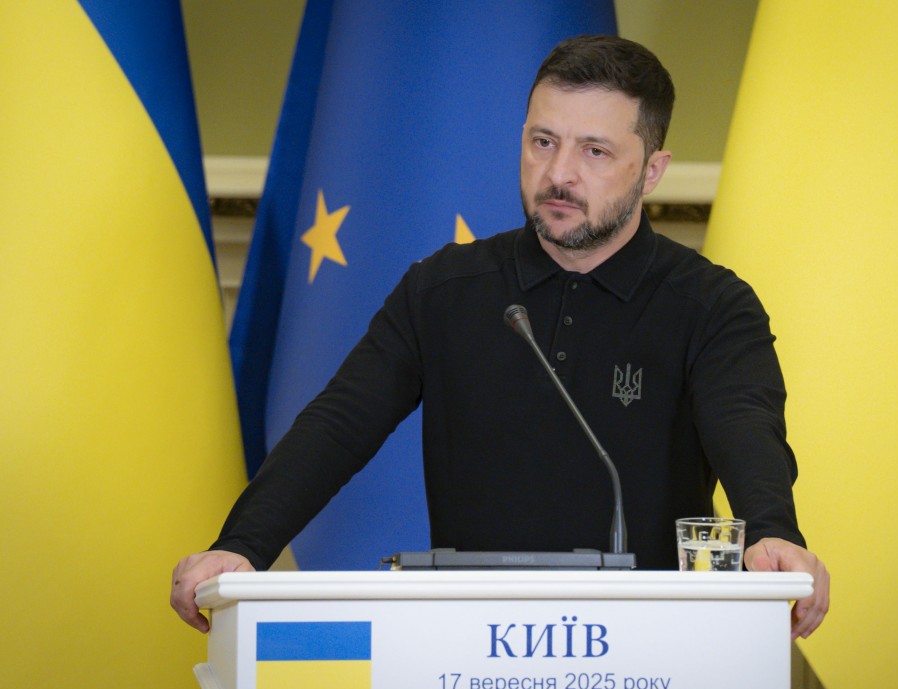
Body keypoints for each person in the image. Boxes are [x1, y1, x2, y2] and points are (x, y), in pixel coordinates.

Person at [171, 35, 829, 639]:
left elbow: (745, 427)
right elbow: (339, 423)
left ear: (652, 170)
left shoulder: (712, 306)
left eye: (594, 152)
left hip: (652, 648)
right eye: (543, 142)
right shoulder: (442, 289)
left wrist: (774, 532)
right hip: (467, 643)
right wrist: (242, 545)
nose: (559, 173)